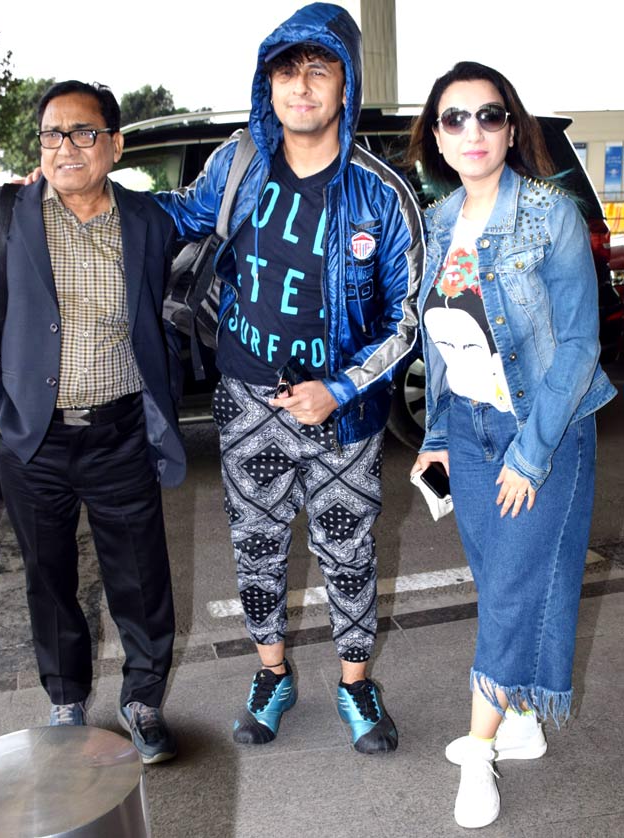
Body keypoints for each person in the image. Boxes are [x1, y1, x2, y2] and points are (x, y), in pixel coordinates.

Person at [154, 3, 424, 753]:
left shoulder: (382, 194)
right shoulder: (238, 163)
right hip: (246, 400)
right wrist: (94, 198)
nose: (300, 87)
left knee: (349, 553)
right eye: (285, 71)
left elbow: (407, 318)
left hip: (342, 412)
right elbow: (180, 216)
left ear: (347, 84)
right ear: (266, 83)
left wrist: (340, 389)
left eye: (318, 70)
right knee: (256, 546)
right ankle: (272, 674)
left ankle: (356, 684)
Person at [407, 61, 617, 827]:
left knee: (514, 589)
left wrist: (531, 454)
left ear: (510, 127)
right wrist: (435, 434)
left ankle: (480, 750)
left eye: (489, 115)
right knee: (499, 577)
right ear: (436, 137)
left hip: (543, 427)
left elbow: (580, 346)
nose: (473, 131)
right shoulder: (436, 222)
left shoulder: (550, 214)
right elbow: (438, 341)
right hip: (468, 428)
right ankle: (522, 720)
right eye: (454, 118)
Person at [0, 80, 185, 764]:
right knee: (48, 576)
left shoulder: (149, 221)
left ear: (114, 144)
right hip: (32, 438)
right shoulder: (0, 213)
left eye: (83, 132)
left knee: (140, 576)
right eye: (52, 134)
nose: (66, 147)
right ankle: (65, 699)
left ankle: (142, 700)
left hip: (121, 431)